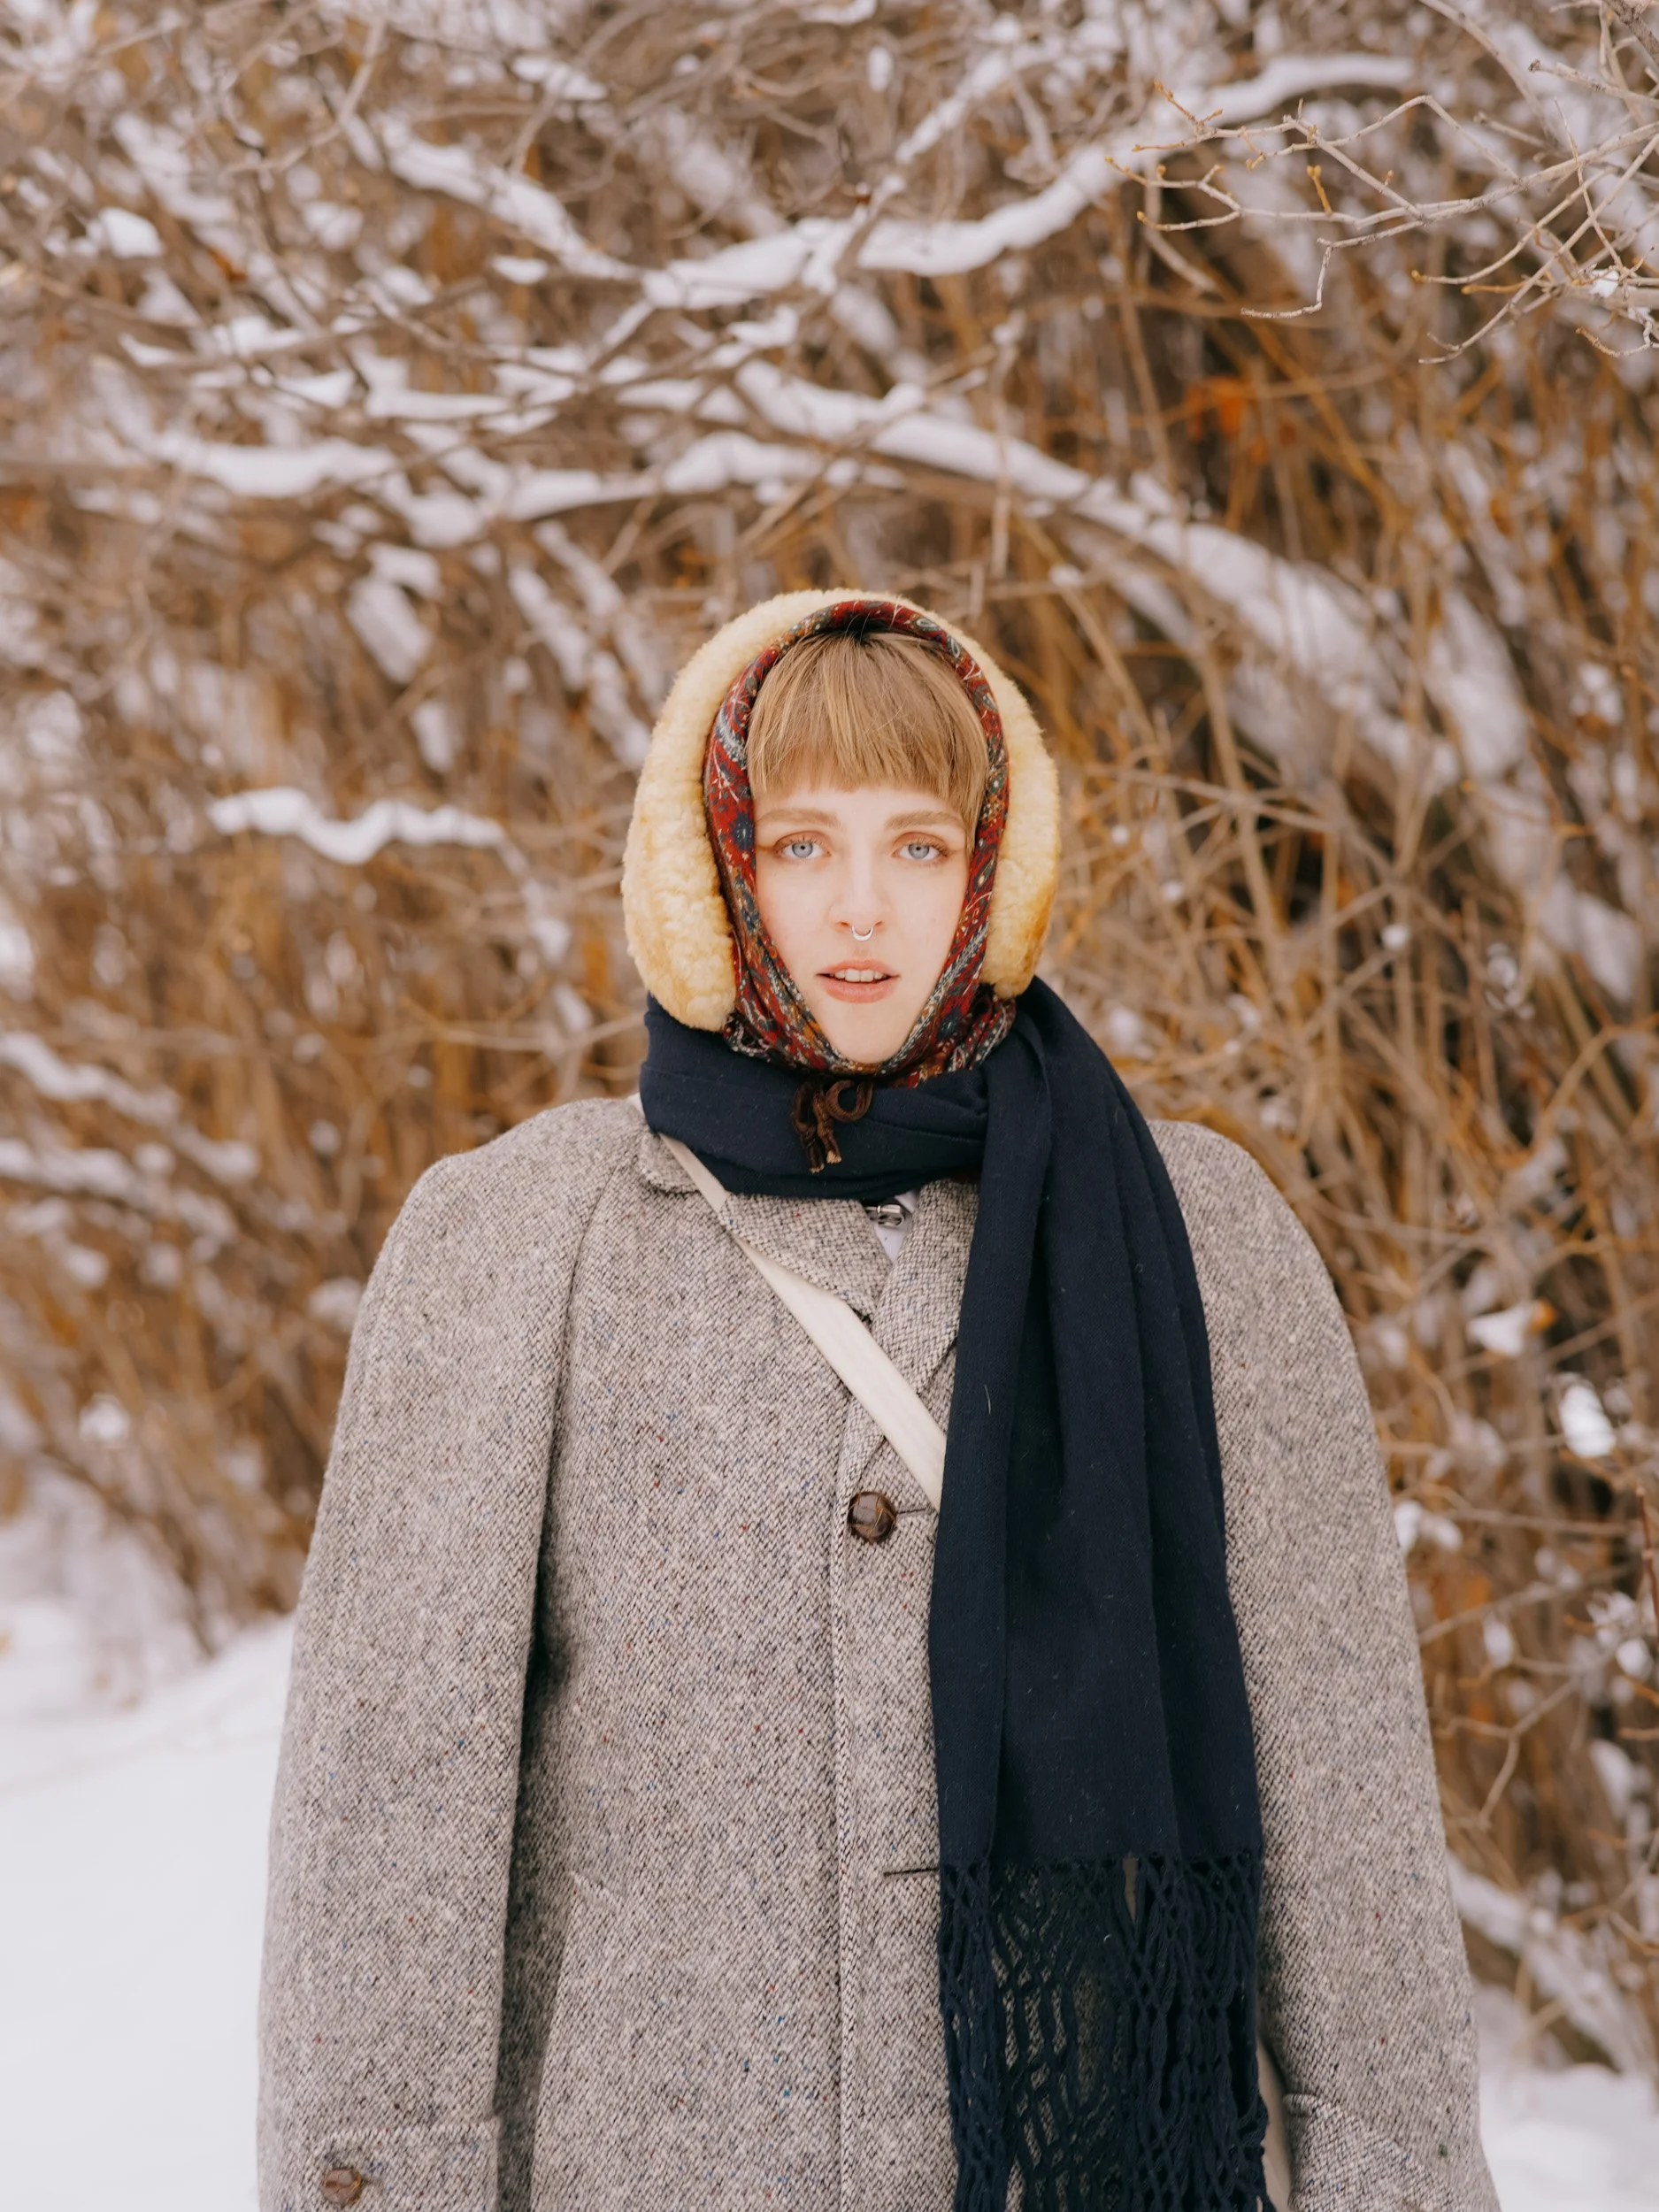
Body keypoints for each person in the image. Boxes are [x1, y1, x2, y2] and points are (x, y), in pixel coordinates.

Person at [257, 592, 1498, 2212]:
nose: (861, 911)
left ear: (994, 867)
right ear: (713, 868)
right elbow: (390, 1814)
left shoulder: (1187, 1234)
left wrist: (1391, 2171)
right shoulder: (515, 1241)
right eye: (799, 847)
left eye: (919, 847)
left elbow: (1340, 1777)